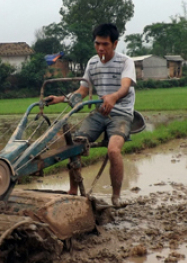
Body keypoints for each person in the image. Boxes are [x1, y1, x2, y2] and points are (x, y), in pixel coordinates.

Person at [46, 23, 136, 207]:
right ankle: (73, 191)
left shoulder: (126, 62)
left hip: (121, 114)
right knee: (75, 145)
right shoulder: (92, 63)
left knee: (113, 150)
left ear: (115, 44)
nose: (101, 48)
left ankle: (116, 197)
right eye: (97, 44)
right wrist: (60, 99)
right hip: (99, 112)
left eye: (105, 44)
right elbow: (81, 91)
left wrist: (114, 96)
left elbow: (126, 86)